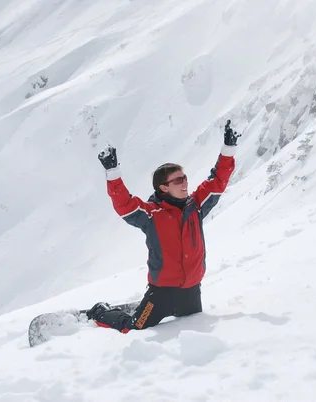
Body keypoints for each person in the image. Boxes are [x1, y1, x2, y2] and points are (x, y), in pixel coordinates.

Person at [86, 119, 241, 333]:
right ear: (163, 188)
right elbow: (124, 204)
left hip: (191, 290)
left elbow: (218, 180)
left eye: (184, 178)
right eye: (177, 181)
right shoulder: (151, 214)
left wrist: (229, 149)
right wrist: (113, 172)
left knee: (192, 326)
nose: (185, 182)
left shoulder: (195, 207)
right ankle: (100, 311)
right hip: (162, 292)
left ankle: (146, 308)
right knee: (134, 328)